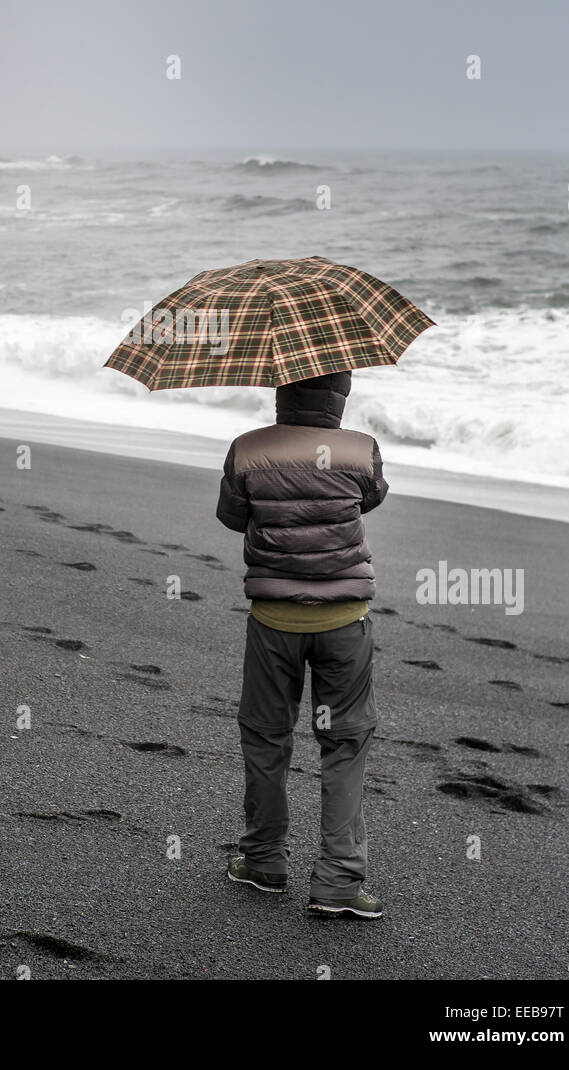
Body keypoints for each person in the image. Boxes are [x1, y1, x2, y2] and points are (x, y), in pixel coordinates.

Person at [216, 370, 388, 918]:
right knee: (344, 743)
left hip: (273, 619)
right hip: (344, 620)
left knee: (266, 737)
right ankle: (339, 881)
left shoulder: (247, 450)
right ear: (340, 397)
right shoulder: (361, 450)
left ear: (281, 391)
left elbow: (231, 515)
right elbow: (370, 500)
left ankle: (264, 859)